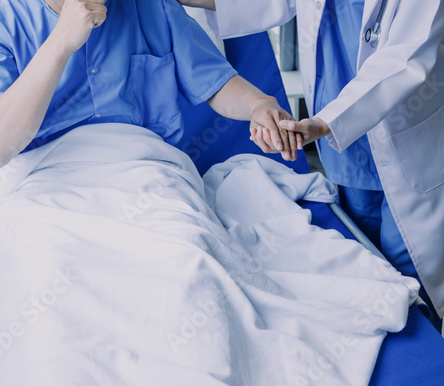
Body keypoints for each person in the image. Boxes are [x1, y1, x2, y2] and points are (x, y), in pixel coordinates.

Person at [180, 0, 444, 328]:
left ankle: (424, 362)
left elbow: (404, 59)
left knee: (413, 285)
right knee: (362, 268)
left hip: (403, 142)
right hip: (344, 150)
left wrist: (322, 124)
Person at [0, 0, 302, 171]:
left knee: (185, 269)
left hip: (148, 179)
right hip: (45, 188)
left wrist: (259, 104)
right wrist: (60, 42)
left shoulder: (150, 6)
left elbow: (215, 82)